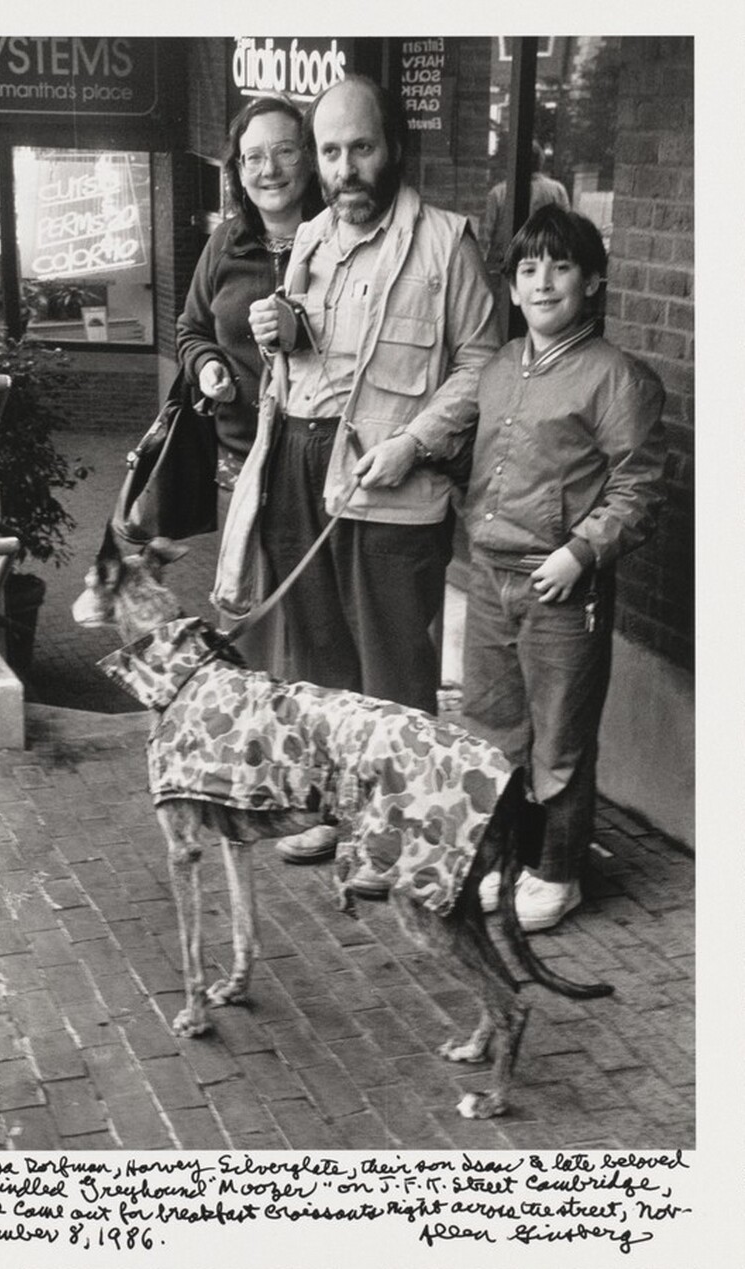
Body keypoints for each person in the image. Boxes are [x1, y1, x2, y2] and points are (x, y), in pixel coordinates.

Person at [245, 74, 501, 876]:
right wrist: (278, 331)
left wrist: (415, 444)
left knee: (393, 667)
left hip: (389, 478)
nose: (345, 166)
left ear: (391, 148)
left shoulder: (445, 243)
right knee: (318, 659)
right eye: (331, 151)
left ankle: (400, 835)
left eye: (361, 147)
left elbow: (483, 363)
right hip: (300, 462)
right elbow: (312, 355)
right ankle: (336, 811)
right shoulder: (313, 240)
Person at [462, 205, 666, 932]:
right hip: (488, 576)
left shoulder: (618, 379)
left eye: (559, 266)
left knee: (558, 736)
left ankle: (558, 873)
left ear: (592, 282)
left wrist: (579, 551)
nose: (541, 281)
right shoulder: (495, 368)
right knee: (493, 727)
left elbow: (638, 486)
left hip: (558, 584)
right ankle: (503, 859)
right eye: (527, 268)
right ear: (510, 289)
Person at [175, 93, 319, 672]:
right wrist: (206, 366)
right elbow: (190, 329)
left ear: (309, 159)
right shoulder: (224, 245)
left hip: (315, 469)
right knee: (247, 623)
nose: (270, 170)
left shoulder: (339, 243)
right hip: (241, 468)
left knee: (310, 624)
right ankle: (256, 750)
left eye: (284, 151)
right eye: (252, 157)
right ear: (236, 170)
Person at [481, 141, 570, 270]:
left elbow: (485, 235)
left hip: (504, 263)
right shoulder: (557, 190)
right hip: (545, 260)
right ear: (540, 161)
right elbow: (567, 230)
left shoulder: (498, 192)